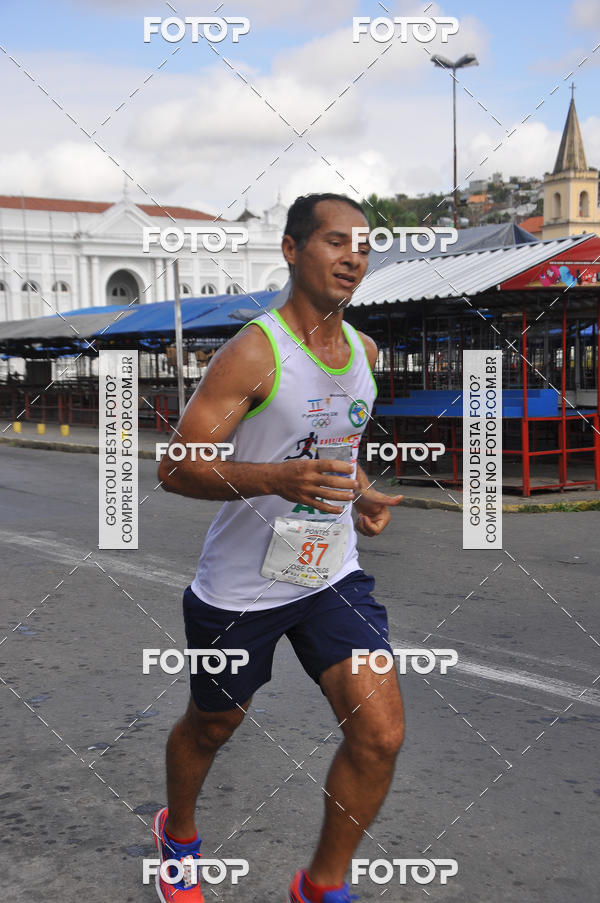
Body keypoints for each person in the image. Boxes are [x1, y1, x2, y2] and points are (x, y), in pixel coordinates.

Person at [154, 193, 405, 903]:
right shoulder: (254, 353)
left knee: (380, 733)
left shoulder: (365, 352)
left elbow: (334, 445)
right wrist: (276, 478)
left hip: (329, 576)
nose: (353, 257)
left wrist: (358, 492)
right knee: (213, 725)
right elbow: (175, 466)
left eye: (363, 246)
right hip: (241, 588)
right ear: (292, 250)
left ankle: (320, 886)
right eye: (335, 241)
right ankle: (179, 834)